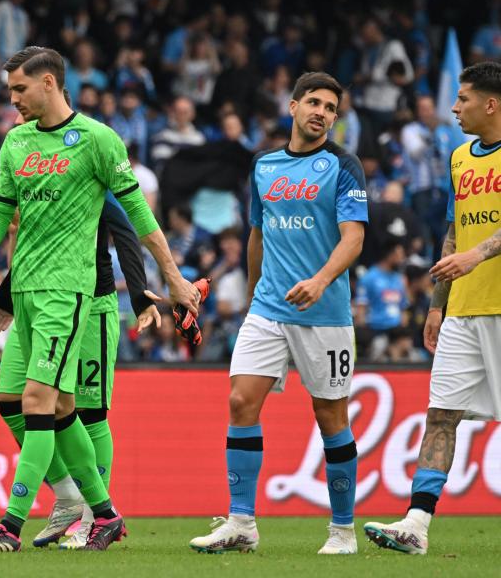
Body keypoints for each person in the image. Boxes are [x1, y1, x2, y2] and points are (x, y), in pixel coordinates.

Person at [0, 46, 198, 552]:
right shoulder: (15, 143)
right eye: (10, 89)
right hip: (27, 291)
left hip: (70, 292)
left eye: (19, 89)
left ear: (51, 84)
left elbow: (137, 219)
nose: (12, 99)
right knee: (34, 403)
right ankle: (104, 514)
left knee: (45, 402)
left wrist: (169, 276)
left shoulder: (99, 141)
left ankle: (9, 526)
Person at [189, 72, 368, 554]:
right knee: (240, 403)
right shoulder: (264, 165)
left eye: (331, 108)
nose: (322, 112)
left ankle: (343, 530)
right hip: (267, 308)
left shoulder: (343, 166)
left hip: (325, 313)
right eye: (314, 102)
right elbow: (257, 234)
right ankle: (242, 523)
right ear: (292, 106)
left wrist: (320, 280)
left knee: (330, 415)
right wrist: (252, 296)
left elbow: (354, 236)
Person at [364, 61, 501, 554]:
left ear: (490, 103)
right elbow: (453, 232)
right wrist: (436, 306)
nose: (454, 107)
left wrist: (478, 253)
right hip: (463, 310)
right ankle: (416, 523)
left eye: (463, 98)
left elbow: (473, 244)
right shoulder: (462, 157)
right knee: (441, 414)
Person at [0, 192, 159, 550]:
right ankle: (69, 495)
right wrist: (9, 295)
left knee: (88, 413)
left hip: (91, 302)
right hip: (37, 301)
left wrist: (140, 297)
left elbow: (126, 232)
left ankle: (94, 517)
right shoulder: (33, 171)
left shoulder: (88, 169)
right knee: (10, 400)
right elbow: (31, 241)